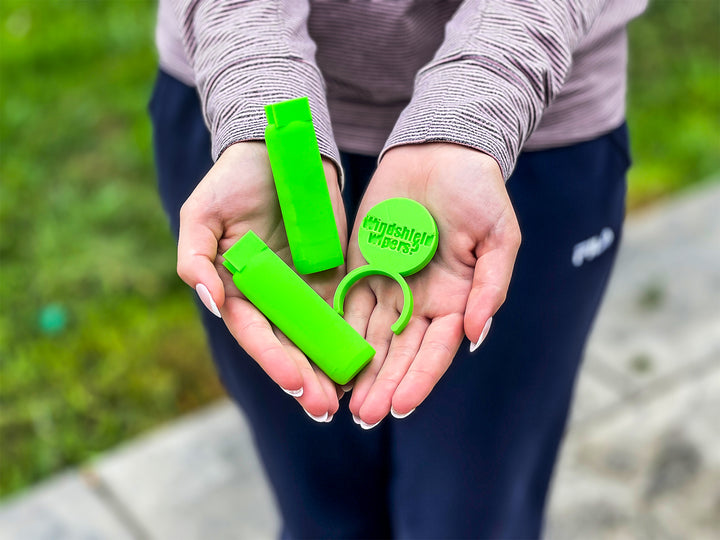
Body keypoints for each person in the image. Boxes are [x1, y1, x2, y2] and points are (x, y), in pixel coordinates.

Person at [150, 1, 647, 537]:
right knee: (320, 513)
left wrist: (469, 115)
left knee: (471, 519)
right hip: (248, 141)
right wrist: (262, 93)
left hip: (516, 131)